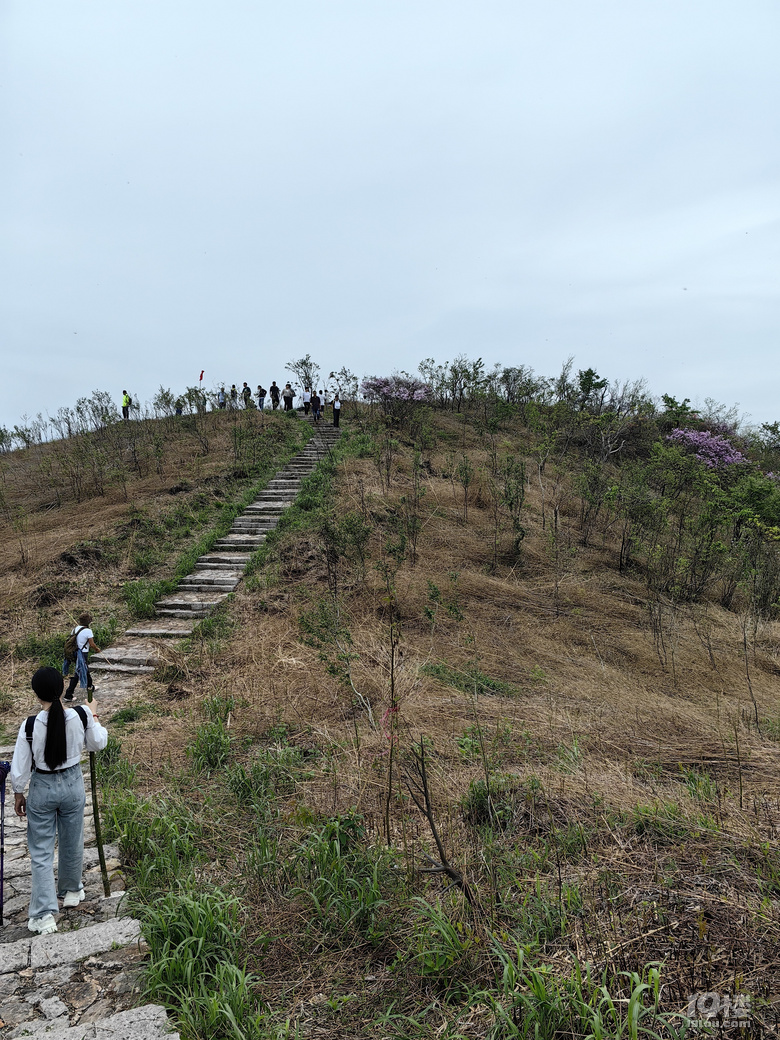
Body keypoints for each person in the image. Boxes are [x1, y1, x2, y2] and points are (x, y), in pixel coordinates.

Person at [11, 667, 108, 934]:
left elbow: (21, 765)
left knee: (41, 850)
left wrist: (18, 792)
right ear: (62, 687)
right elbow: (98, 743)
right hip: (73, 783)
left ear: (36, 693)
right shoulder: (81, 714)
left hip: (42, 787)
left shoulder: (30, 725)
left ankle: (43, 914)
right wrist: (94, 713)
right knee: (72, 838)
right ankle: (72, 890)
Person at [63, 613, 100, 701]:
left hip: (75, 653)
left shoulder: (75, 630)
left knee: (84, 670)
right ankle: (68, 695)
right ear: (89, 622)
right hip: (82, 654)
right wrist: (97, 649)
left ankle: (90, 687)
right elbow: (91, 644)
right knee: (79, 672)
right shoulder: (88, 631)